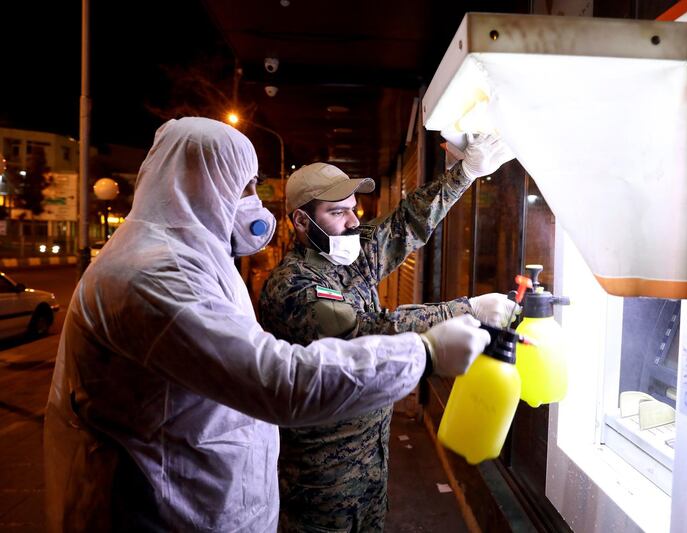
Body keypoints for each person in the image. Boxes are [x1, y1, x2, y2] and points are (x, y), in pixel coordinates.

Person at [42, 117, 491, 533]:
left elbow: (404, 226)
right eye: (244, 187)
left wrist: (464, 172)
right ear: (200, 186)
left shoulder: (201, 261)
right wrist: (439, 335)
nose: (254, 204)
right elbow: (294, 372)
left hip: (353, 471)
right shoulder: (161, 277)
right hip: (274, 490)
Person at [258, 134, 516, 532]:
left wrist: (463, 173)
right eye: (336, 212)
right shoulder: (291, 286)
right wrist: (465, 310)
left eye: (352, 208)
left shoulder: (347, 255)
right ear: (301, 221)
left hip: (371, 462)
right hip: (320, 480)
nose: (353, 220)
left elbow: (404, 225)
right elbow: (364, 333)